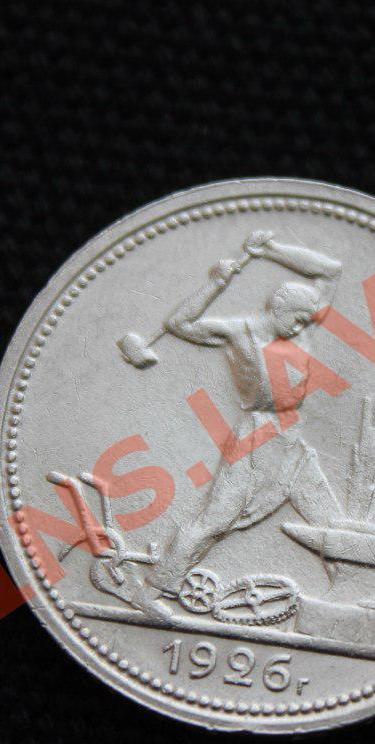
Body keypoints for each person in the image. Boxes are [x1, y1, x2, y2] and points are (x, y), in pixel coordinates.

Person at [105, 230, 347, 620]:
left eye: (307, 318)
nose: (303, 325)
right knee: (216, 521)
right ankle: (151, 590)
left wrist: (270, 249)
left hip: (291, 440)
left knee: (331, 523)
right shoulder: (240, 332)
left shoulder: (303, 330)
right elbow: (179, 322)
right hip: (256, 438)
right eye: (297, 317)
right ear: (277, 308)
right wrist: (215, 284)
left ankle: (347, 598)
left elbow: (330, 270)